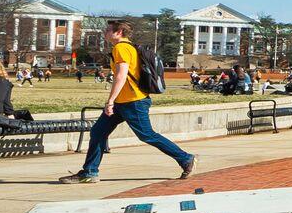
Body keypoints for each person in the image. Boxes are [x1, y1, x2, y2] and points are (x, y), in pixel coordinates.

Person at [59, 20, 197, 184]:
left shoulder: (121, 48)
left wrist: (109, 101)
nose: (105, 32)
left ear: (119, 32)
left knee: (147, 135)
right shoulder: (128, 47)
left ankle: (185, 159)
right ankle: (89, 172)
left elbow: (121, 76)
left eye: (108, 30)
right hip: (123, 102)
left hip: (133, 102)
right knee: (98, 132)